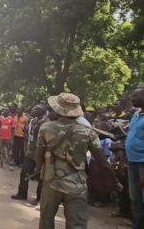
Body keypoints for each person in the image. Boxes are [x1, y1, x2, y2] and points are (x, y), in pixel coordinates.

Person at [36, 93, 122, 229]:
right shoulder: (88, 131)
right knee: (77, 224)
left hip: (51, 180)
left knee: (46, 220)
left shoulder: (46, 128)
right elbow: (102, 161)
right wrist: (114, 182)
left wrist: (38, 169)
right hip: (77, 183)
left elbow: (39, 153)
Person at [11, 105, 46, 205]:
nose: (33, 110)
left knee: (40, 176)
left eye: (36, 109)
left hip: (40, 152)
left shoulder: (45, 122)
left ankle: (39, 198)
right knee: (24, 173)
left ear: (42, 112)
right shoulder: (33, 121)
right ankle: (22, 193)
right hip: (30, 152)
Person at [125, 87, 144, 229]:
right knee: (135, 198)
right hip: (132, 162)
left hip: (142, 163)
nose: (132, 98)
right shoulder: (136, 115)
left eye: (135, 96)